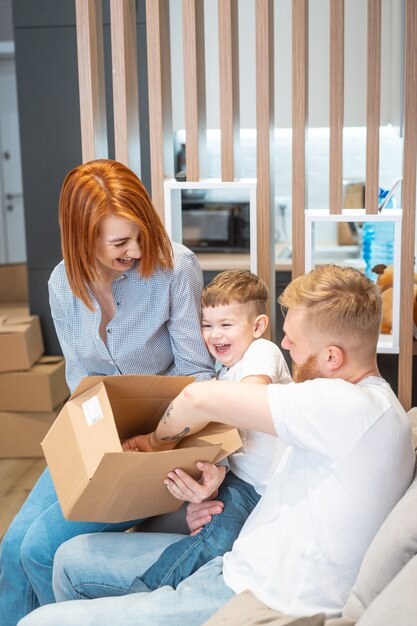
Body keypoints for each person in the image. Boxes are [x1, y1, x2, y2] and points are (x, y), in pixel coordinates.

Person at [18, 264, 415, 626]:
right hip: (234, 564)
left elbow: (196, 400)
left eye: (294, 342)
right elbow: (274, 472)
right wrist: (212, 484)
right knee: (71, 558)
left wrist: (152, 443)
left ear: (332, 357)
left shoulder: (346, 407)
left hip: (253, 598)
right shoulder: (349, 409)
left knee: (37, 622)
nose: (286, 347)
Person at [0, 159, 215, 626]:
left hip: (165, 442)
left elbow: (198, 374)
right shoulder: (63, 283)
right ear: (83, 238)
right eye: (120, 242)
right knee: (11, 548)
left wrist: (155, 439)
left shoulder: (175, 267)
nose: (137, 249)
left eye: (139, 234)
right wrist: (99, 443)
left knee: (39, 549)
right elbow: (78, 379)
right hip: (99, 440)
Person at [121, 270, 292, 592]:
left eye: (226, 325)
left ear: (257, 326)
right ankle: (147, 591)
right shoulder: (219, 374)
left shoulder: (261, 353)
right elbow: (225, 439)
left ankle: (145, 594)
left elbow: (249, 398)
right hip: (244, 483)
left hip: (269, 484)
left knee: (217, 539)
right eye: (207, 325)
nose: (215, 336)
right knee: (212, 535)